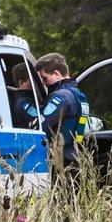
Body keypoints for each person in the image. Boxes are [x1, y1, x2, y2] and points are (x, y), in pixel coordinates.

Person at [35, 52, 89, 192]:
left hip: (63, 160)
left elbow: (41, 125)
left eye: (45, 78)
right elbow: (82, 127)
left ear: (57, 74)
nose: (44, 83)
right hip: (77, 157)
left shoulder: (61, 97)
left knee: (61, 206)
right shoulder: (79, 95)